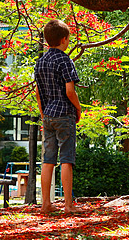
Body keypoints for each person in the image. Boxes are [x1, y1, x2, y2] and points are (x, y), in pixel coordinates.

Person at [35, 19, 81, 214]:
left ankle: (46, 204)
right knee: (66, 159)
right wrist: (78, 109)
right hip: (64, 113)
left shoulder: (40, 62)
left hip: (48, 115)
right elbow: (70, 91)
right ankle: (68, 205)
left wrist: (42, 112)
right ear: (64, 39)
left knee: (48, 160)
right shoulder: (65, 60)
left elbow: (38, 92)